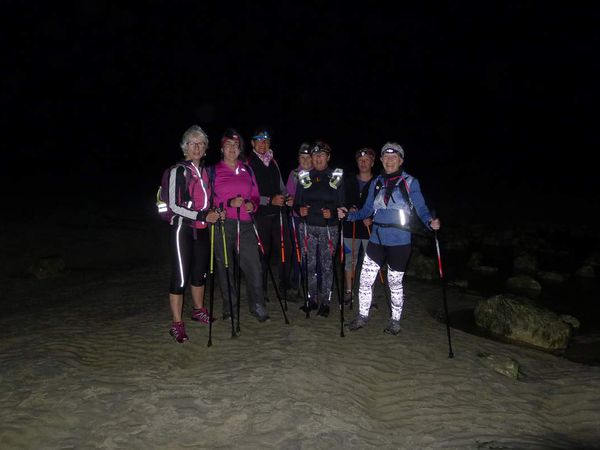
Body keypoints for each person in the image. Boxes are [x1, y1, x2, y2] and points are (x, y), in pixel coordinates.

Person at [338, 142, 441, 335]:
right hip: (376, 239)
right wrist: (349, 216)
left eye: (394, 157)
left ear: (401, 160)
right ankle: (362, 316)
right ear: (381, 160)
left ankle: (395, 321)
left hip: (400, 242)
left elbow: (421, 208)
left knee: (394, 283)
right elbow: (367, 210)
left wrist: (430, 222)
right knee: (365, 280)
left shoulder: (410, 182)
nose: (390, 160)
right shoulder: (376, 182)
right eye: (386, 157)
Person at [168, 125, 224, 344]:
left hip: (201, 230)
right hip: (182, 229)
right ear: (185, 147)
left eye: (201, 143)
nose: (197, 147)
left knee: (199, 273)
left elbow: (208, 201)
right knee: (180, 277)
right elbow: (173, 205)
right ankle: (176, 324)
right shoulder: (178, 171)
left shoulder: (205, 172)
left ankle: (198, 310)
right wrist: (202, 215)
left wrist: (214, 212)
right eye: (193, 143)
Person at [211, 128, 269, 322]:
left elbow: (255, 194)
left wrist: (253, 203)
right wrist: (226, 204)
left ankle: (258, 304)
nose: (232, 148)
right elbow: (208, 201)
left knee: (254, 266)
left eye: (236, 145)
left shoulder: (247, 169)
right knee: (226, 268)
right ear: (222, 148)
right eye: (228, 145)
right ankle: (229, 307)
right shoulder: (213, 171)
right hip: (223, 224)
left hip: (245, 224)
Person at [293, 140, 345, 317]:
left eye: (322, 154)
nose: (318, 158)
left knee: (327, 266)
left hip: (328, 228)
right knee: (309, 264)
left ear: (328, 157)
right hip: (307, 227)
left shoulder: (336, 176)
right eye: (315, 155)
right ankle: (311, 299)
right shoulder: (304, 176)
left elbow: (342, 205)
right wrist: (298, 209)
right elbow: (296, 203)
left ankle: (326, 302)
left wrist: (332, 212)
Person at [247, 128, 295, 301]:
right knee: (262, 253)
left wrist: (288, 197)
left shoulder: (272, 161)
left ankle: (284, 287)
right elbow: (247, 194)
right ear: (252, 143)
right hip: (261, 214)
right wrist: (268, 200)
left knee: (286, 250)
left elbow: (281, 187)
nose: (263, 144)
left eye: (266, 141)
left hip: (279, 214)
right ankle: (261, 291)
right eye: (259, 140)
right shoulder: (248, 163)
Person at [342, 148, 376, 305]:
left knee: (370, 263)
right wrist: (348, 208)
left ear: (373, 162)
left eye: (367, 159)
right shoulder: (348, 180)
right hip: (351, 227)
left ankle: (369, 294)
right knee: (350, 260)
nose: (363, 162)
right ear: (356, 162)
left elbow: (383, 206)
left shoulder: (378, 182)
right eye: (360, 160)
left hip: (370, 229)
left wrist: (372, 219)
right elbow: (341, 200)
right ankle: (349, 292)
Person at [285, 142, 312, 290]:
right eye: (303, 157)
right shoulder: (295, 174)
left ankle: (316, 281)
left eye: (309, 157)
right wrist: (290, 200)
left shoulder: (317, 173)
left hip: (314, 219)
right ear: (298, 158)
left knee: (314, 251)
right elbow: (288, 193)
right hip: (296, 218)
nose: (306, 161)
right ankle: (298, 281)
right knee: (298, 251)